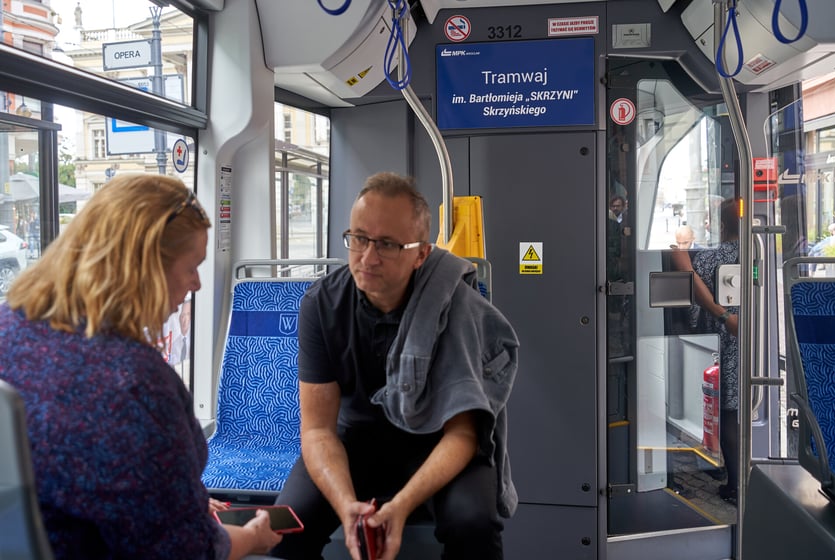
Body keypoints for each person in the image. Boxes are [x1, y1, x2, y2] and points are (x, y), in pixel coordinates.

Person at [0, 174, 282, 559]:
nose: (197, 285)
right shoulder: (135, 384)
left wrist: (178, 499)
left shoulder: (8, 328)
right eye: (192, 267)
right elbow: (189, 552)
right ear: (146, 269)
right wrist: (252, 537)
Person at [272, 172, 519, 560]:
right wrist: (346, 506)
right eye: (359, 238)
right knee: (285, 529)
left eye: (387, 244)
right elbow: (318, 430)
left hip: (435, 440)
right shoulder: (321, 305)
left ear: (421, 254)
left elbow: (462, 434)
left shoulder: (457, 307)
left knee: (473, 524)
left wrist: (401, 506)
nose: (368, 257)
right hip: (354, 440)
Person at [672, 197, 740, 503]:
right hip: (750, 339)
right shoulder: (757, 252)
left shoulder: (713, 257)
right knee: (739, 408)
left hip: (724, 340)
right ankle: (741, 478)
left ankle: (733, 483)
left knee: (726, 411)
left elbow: (694, 305)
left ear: (722, 226)